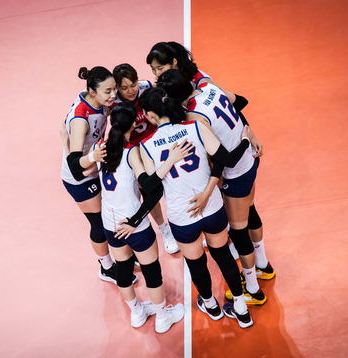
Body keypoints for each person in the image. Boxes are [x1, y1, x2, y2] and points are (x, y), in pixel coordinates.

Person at [150, 45, 276, 282]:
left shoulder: (194, 117)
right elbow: (242, 101)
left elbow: (223, 159)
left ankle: (251, 287)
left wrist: (208, 191)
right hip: (249, 161)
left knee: (239, 232)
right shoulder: (209, 87)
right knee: (250, 210)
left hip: (236, 171)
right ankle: (263, 264)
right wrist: (247, 135)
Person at [138, 87, 254, 328]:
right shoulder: (196, 127)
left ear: (149, 116)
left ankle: (211, 306)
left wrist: (168, 162)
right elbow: (227, 159)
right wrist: (245, 140)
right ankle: (242, 310)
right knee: (223, 255)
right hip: (211, 207)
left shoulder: (146, 145)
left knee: (196, 263)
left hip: (183, 216)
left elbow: (151, 187)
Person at [89, 103, 188, 333]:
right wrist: (170, 160)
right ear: (133, 124)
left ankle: (136, 312)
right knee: (151, 268)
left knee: (123, 267)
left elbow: (82, 170)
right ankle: (163, 317)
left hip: (110, 224)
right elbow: (151, 185)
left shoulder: (98, 148)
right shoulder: (131, 151)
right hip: (134, 224)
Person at [60, 66, 137, 285]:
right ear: (92, 91)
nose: (114, 95)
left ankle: (123, 255)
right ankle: (106, 267)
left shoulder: (100, 103)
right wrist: (93, 156)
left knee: (113, 211)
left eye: (114, 89)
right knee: (99, 224)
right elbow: (75, 166)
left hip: (95, 165)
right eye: (108, 91)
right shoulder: (80, 120)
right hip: (80, 177)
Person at [112, 63, 180, 255]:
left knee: (176, 178)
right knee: (149, 190)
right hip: (137, 152)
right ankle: (165, 229)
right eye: (123, 88)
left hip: (159, 143)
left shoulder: (148, 87)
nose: (130, 90)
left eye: (132, 84)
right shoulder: (113, 103)